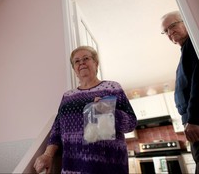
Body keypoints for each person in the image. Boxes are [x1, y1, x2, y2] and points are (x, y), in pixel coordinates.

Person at [33, 45, 137, 174]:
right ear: (74, 69)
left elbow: (131, 123)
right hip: (73, 167)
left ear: (96, 63)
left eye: (86, 58)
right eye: (77, 61)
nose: (81, 62)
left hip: (108, 166)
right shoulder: (67, 96)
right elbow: (57, 129)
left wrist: (108, 111)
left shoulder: (112, 87)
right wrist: (48, 155)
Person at [161, 11, 199, 173]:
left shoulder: (193, 45)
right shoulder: (186, 51)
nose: (170, 33)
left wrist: (194, 118)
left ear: (185, 21)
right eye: (166, 31)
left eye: (173, 26)